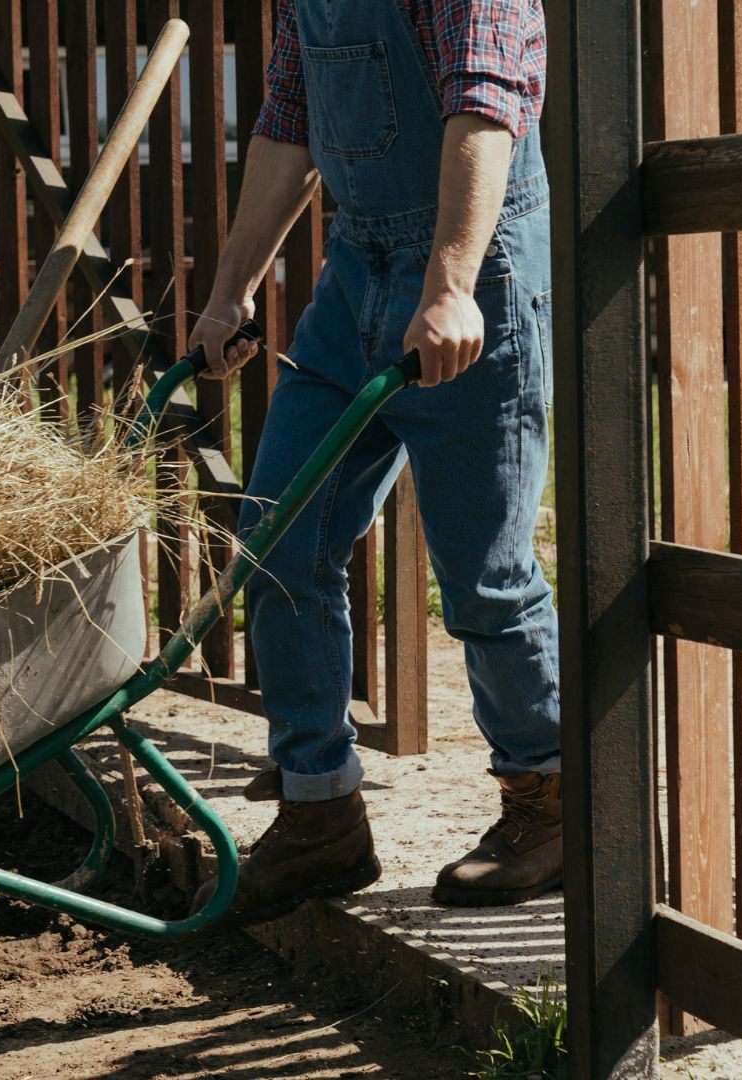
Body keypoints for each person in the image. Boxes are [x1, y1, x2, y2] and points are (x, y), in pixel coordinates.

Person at [188, 0, 559, 922]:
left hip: (477, 268)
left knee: (484, 575)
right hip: (356, 267)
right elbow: (287, 124)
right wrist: (230, 292)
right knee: (279, 539)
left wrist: (451, 286)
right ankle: (320, 813)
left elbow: (485, 105)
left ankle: (551, 800)